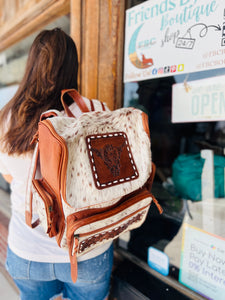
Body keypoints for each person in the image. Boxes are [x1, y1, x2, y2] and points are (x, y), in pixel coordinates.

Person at [0, 28, 113, 300]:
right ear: (74, 67)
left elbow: (11, 178)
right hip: (87, 250)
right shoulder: (98, 111)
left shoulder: (9, 118)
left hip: (27, 253)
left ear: (31, 65)